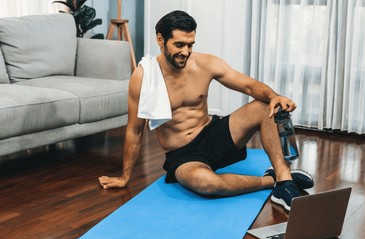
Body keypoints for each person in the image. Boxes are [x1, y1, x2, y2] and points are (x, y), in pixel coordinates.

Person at [99, 10, 313, 211]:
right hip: (182, 154)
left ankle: (285, 182)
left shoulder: (205, 63)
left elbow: (248, 85)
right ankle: (271, 180)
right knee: (208, 185)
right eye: (179, 45)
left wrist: (274, 96)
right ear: (160, 40)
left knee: (264, 105)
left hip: (213, 134)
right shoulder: (143, 76)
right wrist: (124, 176)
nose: (185, 52)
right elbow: (135, 130)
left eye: (190, 45)